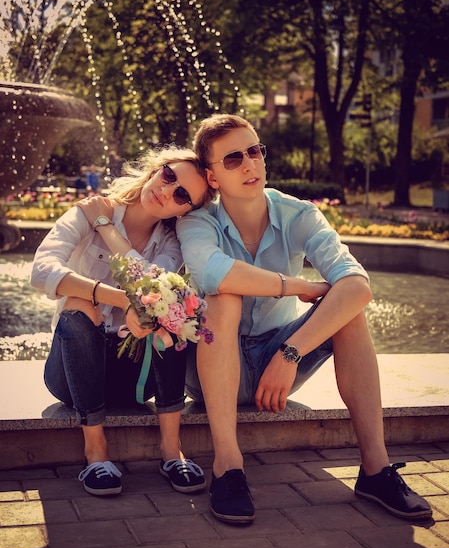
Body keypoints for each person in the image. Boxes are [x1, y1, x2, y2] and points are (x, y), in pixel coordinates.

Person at [176, 113, 433, 525]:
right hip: (211, 362)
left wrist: (290, 353)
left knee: (349, 311)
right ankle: (228, 465)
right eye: (234, 159)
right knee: (224, 299)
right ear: (211, 178)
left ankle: (375, 469)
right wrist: (295, 286)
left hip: (278, 355)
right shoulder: (197, 221)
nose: (250, 164)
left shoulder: (299, 215)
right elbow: (213, 273)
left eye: (256, 151)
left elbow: (357, 285)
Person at [31, 147, 214, 497]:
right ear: (155, 169)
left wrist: (107, 229)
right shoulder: (88, 212)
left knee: (174, 305)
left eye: (181, 195)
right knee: (79, 300)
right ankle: (96, 452)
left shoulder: (170, 242)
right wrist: (118, 299)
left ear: (186, 210)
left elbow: (152, 283)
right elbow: (42, 272)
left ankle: (171, 450)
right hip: (72, 375)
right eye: (168, 175)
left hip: (137, 379)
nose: (166, 190)